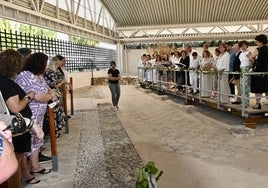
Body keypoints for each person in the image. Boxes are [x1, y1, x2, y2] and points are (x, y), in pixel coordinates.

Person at [0, 49, 42, 186]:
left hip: (19, 127)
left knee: (19, 158)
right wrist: (29, 96)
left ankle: (23, 176)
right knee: (15, 162)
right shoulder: (5, 83)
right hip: (17, 129)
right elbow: (15, 108)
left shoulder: (5, 81)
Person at [16, 52, 54, 175]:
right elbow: (36, 97)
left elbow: (46, 87)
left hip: (39, 114)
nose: (47, 67)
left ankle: (35, 166)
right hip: (29, 114)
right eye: (45, 64)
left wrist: (50, 91)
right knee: (30, 139)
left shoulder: (39, 75)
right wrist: (50, 96)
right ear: (39, 64)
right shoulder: (25, 75)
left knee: (37, 139)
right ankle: (27, 170)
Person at [44, 56, 67, 136]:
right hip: (52, 96)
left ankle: (54, 131)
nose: (58, 67)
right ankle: (54, 132)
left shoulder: (47, 71)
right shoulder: (51, 72)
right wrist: (62, 82)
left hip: (52, 95)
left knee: (54, 113)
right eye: (57, 65)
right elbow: (54, 85)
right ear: (55, 64)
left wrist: (59, 81)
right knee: (54, 114)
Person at [250, 34, 268, 109]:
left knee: (257, 88)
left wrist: (253, 63)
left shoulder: (258, 49)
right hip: (266, 72)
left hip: (258, 71)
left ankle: (258, 103)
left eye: (257, 41)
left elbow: (251, 58)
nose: (256, 43)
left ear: (261, 42)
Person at [238, 40, 252, 107]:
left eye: (244, 45)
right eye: (241, 46)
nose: (243, 47)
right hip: (241, 68)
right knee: (241, 86)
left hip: (246, 68)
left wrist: (250, 69)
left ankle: (246, 103)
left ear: (246, 45)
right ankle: (243, 102)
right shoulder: (241, 53)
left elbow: (252, 61)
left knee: (246, 86)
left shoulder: (248, 52)